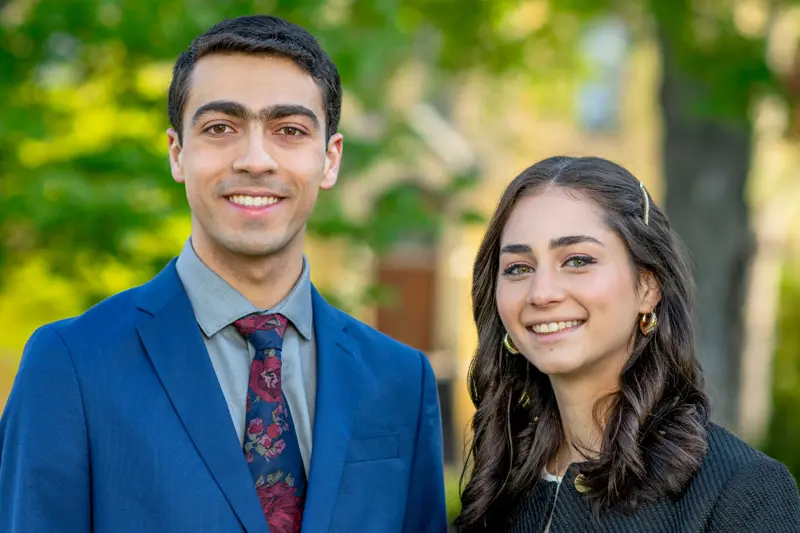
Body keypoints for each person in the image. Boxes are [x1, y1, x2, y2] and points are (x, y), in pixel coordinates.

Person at [0, 15, 447, 533]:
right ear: (177, 153)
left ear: (330, 159)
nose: (256, 159)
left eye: (289, 130)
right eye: (220, 128)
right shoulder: (70, 365)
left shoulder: (400, 380)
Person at [453, 156, 800, 532]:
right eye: (518, 268)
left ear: (648, 286)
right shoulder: (500, 484)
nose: (541, 293)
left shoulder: (738, 490)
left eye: (577, 260)